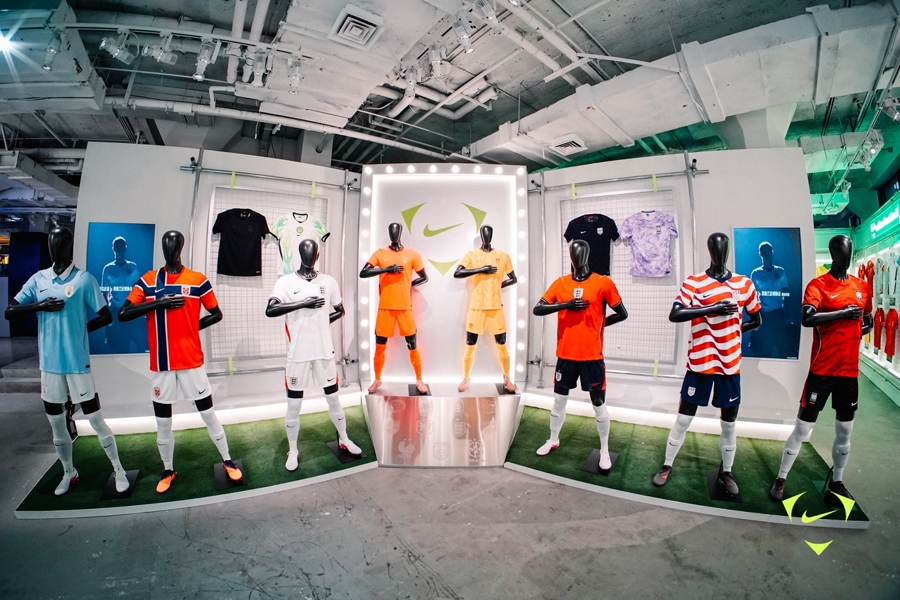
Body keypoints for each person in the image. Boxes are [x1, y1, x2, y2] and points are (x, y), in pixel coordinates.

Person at [5, 227, 129, 495]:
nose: (54, 247)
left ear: (68, 245)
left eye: (59, 242)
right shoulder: (38, 279)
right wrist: (39, 306)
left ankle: (118, 469)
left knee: (95, 419)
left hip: (76, 363)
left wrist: (80, 330)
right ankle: (68, 472)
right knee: (56, 425)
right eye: (51, 242)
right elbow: (10, 311)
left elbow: (106, 316)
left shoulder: (84, 279)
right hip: (49, 366)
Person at [118, 230, 242, 494]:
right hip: (162, 364)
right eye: (167, 244)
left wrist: (190, 328)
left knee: (207, 414)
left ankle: (227, 459)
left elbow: (216, 314)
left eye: (174, 244)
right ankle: (168, 469)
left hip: (190, 361)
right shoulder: (148, 281)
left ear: (181, 247)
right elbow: (124, 313)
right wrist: (157, 304)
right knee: (163, 422)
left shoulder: (198, 280)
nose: (170, 248)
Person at [652, 233, 762, 495]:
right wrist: (711, 309)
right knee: (683, 418)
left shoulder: (744, 283)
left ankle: (727, 471)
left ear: (728, 250)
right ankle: (667, 464)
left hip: (729, 364)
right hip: (700, 362)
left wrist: (733, 332)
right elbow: (676, 313)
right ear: (709, 250)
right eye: (715, 247)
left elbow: (757, 320)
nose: (719, 252)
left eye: (723, 247)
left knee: (729, 423)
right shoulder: (695, 282)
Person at [769, 235, 872, 501]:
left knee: (845, 431)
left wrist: (855, 331)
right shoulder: (818, 285)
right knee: (803, 428)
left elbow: (868, 320)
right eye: (841, 251)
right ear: (833, 254)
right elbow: (807, 318)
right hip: (822, 370)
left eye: (849, 250)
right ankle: (781, 477)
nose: (845, 255)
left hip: (849, 373)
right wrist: (842, 314)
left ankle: (837, 480)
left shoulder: (862, 286)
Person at [267, 238, 362, 471]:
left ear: (318, 255)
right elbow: (271, 309)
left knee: (333, 398)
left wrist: (321, 323)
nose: (310, 256)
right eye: (305, 252)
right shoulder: (285, 282)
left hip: (323, 351)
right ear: (300, 254)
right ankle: (293, 450)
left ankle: (344, 438)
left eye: (313, 253)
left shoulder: (328, 282)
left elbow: (340, 310)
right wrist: (303, 303)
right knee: (293, 404)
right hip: (297, 354)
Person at [532, 239, 628, 470]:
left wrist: (599, 325)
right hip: (565, 356)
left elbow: (622, 313)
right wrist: (565, 305)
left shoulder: (603, 283)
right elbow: (538, 308)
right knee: (559, 401)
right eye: (574, 253)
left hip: (592, 357)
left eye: (582, 252)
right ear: (570, 256)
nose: (578, 257)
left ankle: (604, 450)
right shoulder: (561, 283)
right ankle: (553, 440)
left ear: (588, 255)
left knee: (598, 403)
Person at [360, 223, 429, 394]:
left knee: (412, 344)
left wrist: (409, 285)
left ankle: (419, 380)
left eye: (396, 230)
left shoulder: (412, 254)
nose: (394, 233)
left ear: (400, 233)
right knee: (380, 346)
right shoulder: (380, 254)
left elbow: (424, 277)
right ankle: (377, 380)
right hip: (385, 307)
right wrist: (386, 269)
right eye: (391, 230)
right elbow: (363, 273)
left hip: (405, 307)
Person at [454, 225, 517, 393]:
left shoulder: (503, 256)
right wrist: (481, 269)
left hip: (496, 306)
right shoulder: (472, 255)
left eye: (489, 233)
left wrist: (497, 285)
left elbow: (514, 278)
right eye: (484, 233)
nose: (486, 236)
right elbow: (457, 273)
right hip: (477, 306)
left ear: (492, 235)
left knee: (501, 344)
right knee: (470, 344)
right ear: (481, 236)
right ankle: (466, 378)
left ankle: (507, 377)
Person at [100, 236, 146, 353]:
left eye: (122, 246)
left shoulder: (133, 266)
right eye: (117, 246)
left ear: (125, 248)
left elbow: (137, 289)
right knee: (116, 344)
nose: (120, 249)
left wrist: (138, 310)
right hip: (114, 310)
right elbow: (105, 292)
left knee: (134, 342)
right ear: (113, 248)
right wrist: (107, 314)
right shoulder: (108, 268)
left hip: (130, 308)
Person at [749, 241, 790, 358]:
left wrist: (788, 315)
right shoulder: (756, 273)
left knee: (782, 347)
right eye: (764, 251)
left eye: (768, 251)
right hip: (763, 314)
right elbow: (752, 297)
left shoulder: (780, 271)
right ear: (760, 254)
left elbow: (786, 293)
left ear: (772, 253)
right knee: (764, 348)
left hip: (778, 314)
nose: (767, 253)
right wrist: (754, 317)